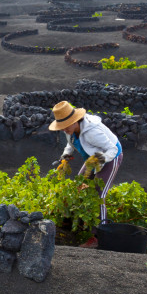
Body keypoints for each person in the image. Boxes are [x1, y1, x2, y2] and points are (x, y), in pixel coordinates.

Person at [48, 101, 123, 247]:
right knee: (79, 187)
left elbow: (112, 150)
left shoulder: (92, 133)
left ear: (75, 120)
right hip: (92, 158)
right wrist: (65, 156)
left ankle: (98, 236)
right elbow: (70, 144)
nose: (64, 130)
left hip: (110, 157)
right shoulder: (70, 130)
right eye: (61, 127)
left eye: (66, 126)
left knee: (98, 195)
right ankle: (76, 225)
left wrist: (98, 160)